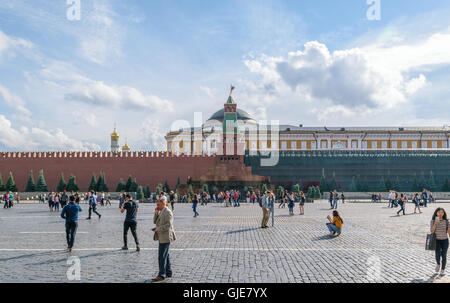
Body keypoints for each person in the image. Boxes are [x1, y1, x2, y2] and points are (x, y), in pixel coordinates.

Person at [152, 196, 176, 282]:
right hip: (162, 236)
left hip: (166, 237)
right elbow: (155, 221)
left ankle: (161, 275)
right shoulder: (161, 211)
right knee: (166, 255)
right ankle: (168, 272)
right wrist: (156, 212)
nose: (157, 206)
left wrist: (158, 229)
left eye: (158, 204)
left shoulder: (168, 212)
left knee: (161, 256)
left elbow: (168, 225)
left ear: (163, 203)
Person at [430, 208, 449, 275]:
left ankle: (443, 269)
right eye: (439, 212)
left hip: (445, 240)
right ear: (436, 213)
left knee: (444, 255)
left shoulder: (446, 221)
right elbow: (432, 231)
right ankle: (438, 264)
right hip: (437, 240)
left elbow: (449, 233)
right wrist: (435, 224)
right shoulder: (432, 221)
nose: (440, 214)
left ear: (444, 213)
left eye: (442, 212)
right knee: (437, 255)